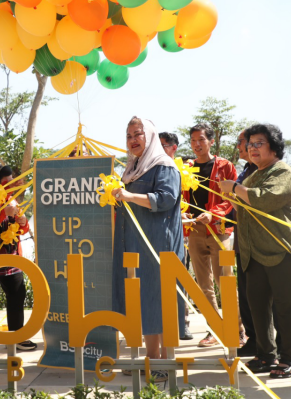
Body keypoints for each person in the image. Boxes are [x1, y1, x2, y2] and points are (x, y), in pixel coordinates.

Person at [221, 123, 291, 379]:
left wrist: (234, 189)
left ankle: (290, 358)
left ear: (273, 147)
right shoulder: (252, 175)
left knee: (285, 308)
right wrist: (232, 196)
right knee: (257, 308)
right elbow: (244, 205)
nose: (252, 148)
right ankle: (265, 355)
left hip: (283, 251)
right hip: (255, 253)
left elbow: (263, 199)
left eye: (258, 143)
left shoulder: (282, 171)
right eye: (249, 144)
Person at [112, 117, 185, 382]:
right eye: (129, 135)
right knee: (144, 301)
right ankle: (151, 359)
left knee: (161, 300)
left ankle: (165, 362)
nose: (133, 140)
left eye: (138, 134)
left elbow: (166, 199)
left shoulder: (163, 165)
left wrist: (129, 196)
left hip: (158, 245)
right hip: (135, 245)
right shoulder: (133, 168)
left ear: (150, 136)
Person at [183, 123, 242, 348]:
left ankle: (237, 329)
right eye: (193, 140)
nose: (197, 144)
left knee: (224, 281)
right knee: (203, 285)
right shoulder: (186, 168)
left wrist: (213, 214)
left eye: (201, 140)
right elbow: (182, 198)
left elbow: (231, 198)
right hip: (195, 231)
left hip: (219, 230)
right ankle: (214, 329)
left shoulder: (225, 166)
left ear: (211, 141)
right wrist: (184, 214)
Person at [0, 165, 37, 352]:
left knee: (17, 295)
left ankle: (17, 336)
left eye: (12, 181)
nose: (10, 185)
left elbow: (23, 228)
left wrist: (22, 222)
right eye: (7, 181)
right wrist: (2, 213)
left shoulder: (12, 201)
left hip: (12, 259)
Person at [159, 131, 193, 341]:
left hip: (182, 235)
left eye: (163, 145)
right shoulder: (149, 168)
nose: (157, 149)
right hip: (157, 234)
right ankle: (157, 326)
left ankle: (183, 323)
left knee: (181, 279)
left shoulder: (184, 170)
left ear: (174, 148)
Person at [230, 131, 260, 358]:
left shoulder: (262, 171)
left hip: (258, 244)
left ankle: (265, 344)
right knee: (246, 294)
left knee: (258, 296)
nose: (239, 146)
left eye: (241, 142)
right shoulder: (245, 171)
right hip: (242, 241)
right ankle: (252, 339)